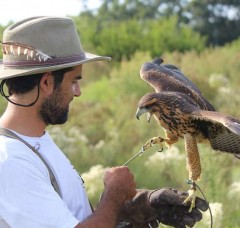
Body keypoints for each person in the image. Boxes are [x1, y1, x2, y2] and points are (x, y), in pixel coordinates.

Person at [0, 16, 208, 227]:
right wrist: (115, 194)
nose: (78, 92)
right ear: (46, 82)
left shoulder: (35, 141)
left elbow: (75, 217)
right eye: (74, 81)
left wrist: (140, 205)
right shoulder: (10, 160)